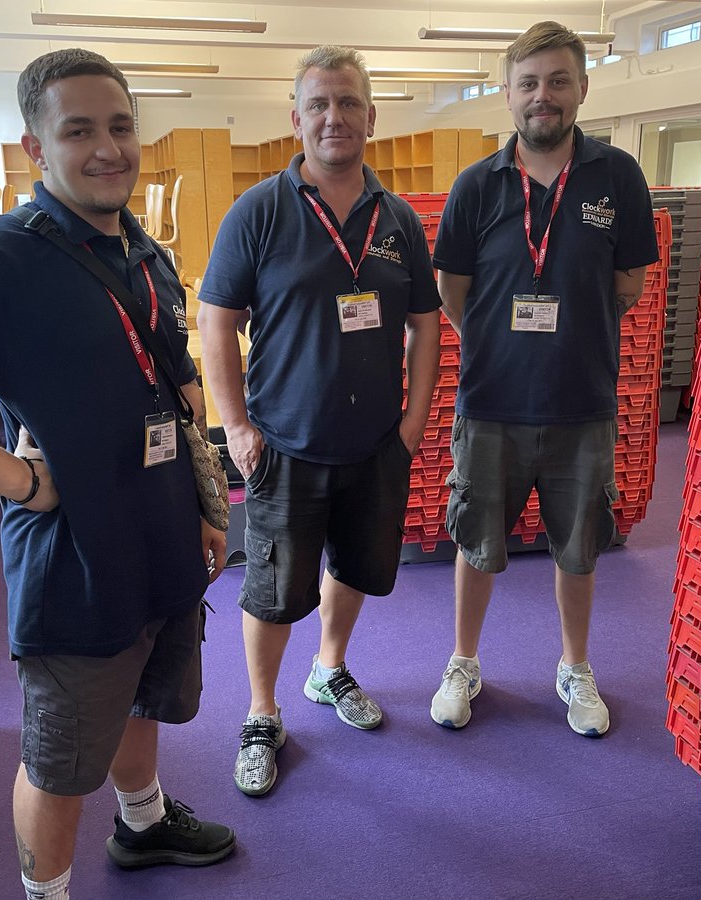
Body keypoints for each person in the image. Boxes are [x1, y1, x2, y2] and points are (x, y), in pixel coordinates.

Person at [0, 48, 235, 900]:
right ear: (34, 148)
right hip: (77, 557)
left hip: (162, 532)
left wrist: (206, 506)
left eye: (121, 127)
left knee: (146, 693)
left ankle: (142, 822)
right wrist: (14, 482)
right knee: (59, 763)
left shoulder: (144, 250)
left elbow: (174, 389)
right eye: (79, 130)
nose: (108, 148)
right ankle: (46, 893)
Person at [198, 45, 441, 796]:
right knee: (272, 590)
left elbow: (427, 324)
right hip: (285, 444)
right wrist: (235, 426)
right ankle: (263, 712)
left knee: (355, 568)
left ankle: (328, 670)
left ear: (370, 116)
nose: (335, 117)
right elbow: (216, 321)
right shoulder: (260, 212)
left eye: (349, 103)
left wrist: (414, 422)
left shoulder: (397, 218)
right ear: (297, 118)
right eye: (320, 105)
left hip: (375, 446)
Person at [429, 21, 659, 737]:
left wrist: (570, 336)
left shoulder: (616, 176)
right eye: (528, 83)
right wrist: (498, 342)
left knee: (579, 544)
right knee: (476, 543)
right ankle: (463, 661)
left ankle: (575, 666)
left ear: (583, 88)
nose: (543, 97)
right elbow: (451, 289)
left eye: (559, 81)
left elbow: (630, 283)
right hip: (491, 402)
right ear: (507, 94)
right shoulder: (476, 186)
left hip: (580, 402)